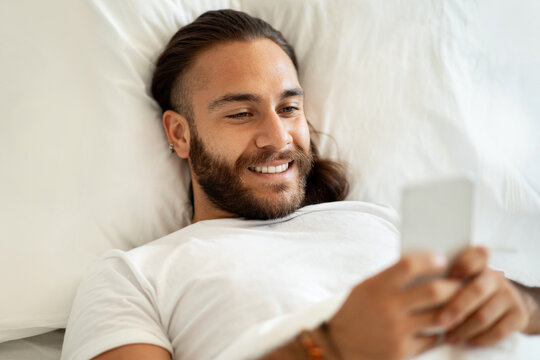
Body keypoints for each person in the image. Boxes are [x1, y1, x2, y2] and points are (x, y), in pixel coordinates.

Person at [61, 9, 540, 360]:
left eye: (288, 108)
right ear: (180, 134)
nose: (277, 138)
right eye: (241, 113)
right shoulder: (135, 276)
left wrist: (517, 304)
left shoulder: (376, 219)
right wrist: (329, 346)